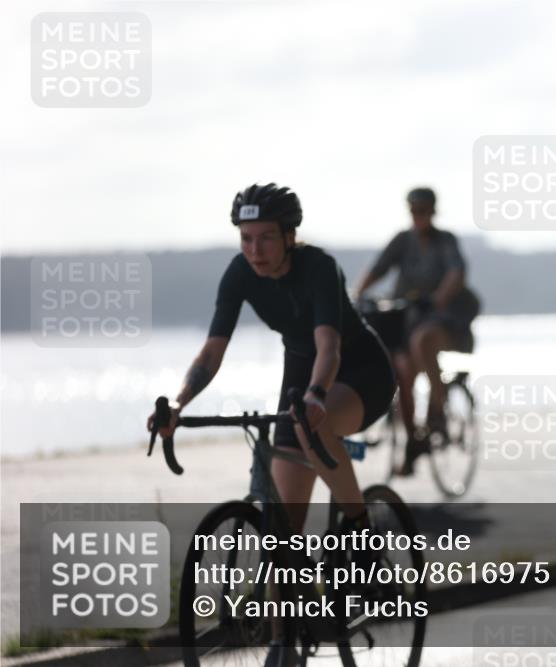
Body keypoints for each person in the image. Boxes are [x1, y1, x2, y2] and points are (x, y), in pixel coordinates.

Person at [147, 183, 395, 667]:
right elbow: (211, 352)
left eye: (264, 238)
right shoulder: (240, 273)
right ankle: (284, 645)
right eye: (245, 238)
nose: (254, 250)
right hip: (301, 371)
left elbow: (330, 345)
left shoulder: (319, 267)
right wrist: (176, 404)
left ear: (288, 235)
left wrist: (318, 395)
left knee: (314, 428)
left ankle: (362, 534)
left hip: (359, 372)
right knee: (281, 526)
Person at [355, 187, 479, 475]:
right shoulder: (403, 241)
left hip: (443, 320)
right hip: (407, 318)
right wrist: (358, 295)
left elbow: (456, 273)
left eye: (424, 210)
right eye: (414, 211)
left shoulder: (445, 241)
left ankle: (437, 409)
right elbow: (379, 268)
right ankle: (413, 440)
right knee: (402, 369)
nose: (419, 216)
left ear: (433, 212)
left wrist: (437, 299)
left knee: (423, 341)